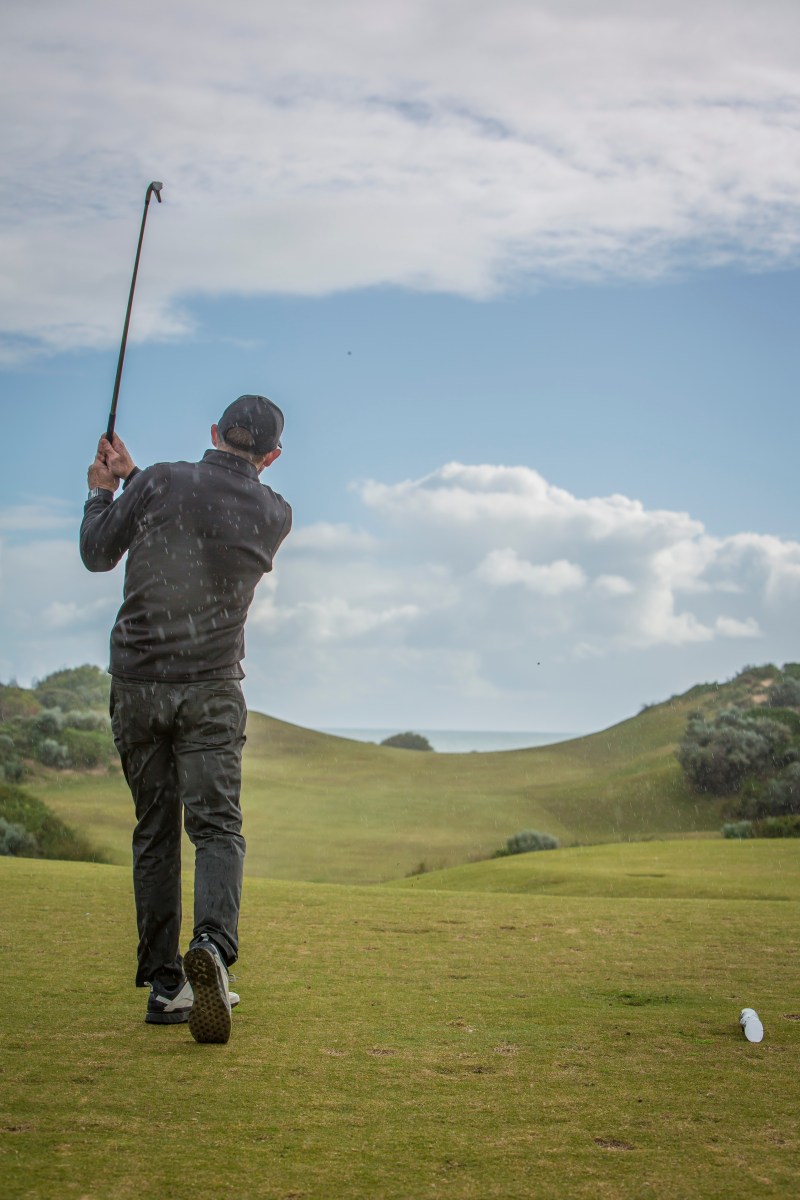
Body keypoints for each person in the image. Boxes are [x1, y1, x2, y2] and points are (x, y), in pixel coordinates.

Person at [80, 395, 292, 1044]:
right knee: (217, 829)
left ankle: (166, 984)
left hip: (137, 685)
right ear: (272, 455)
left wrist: (105, 491)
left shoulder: (160, 482)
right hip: (211, 689)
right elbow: (204, 513)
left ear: (214, 431)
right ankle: (213, 950)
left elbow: (98, 552)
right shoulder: (274, 512)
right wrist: (136, 481)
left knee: (155, 831)